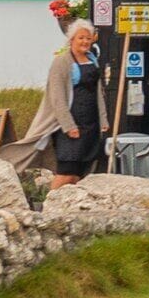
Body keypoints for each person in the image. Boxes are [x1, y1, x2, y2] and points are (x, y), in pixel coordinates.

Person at [28, 20, 113, 183]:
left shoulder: (92, 59)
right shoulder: (62, 62)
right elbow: (57, 98)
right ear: (71, 39)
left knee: (80, 171)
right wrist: (68, 126)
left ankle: (69, 205)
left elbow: (98, 92)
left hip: (90, 122)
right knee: (67, 170)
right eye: (81, 38)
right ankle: (49, 206)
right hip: (71, 124)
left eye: (88, 38)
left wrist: (103, 119)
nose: (85, 42)